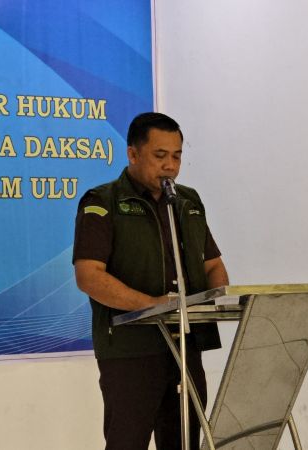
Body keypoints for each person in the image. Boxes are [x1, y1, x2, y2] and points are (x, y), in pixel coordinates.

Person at [73, 112, 229, 450]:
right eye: (160, 156)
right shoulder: (103, 202)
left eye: (177, 156)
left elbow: (214, 266)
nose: (170, 166)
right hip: (131, 350)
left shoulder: (187, 202)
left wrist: (210, 300)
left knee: (184, 441)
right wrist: (153, 305)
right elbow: (89, 276)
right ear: (132, 154)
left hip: (185, 347)